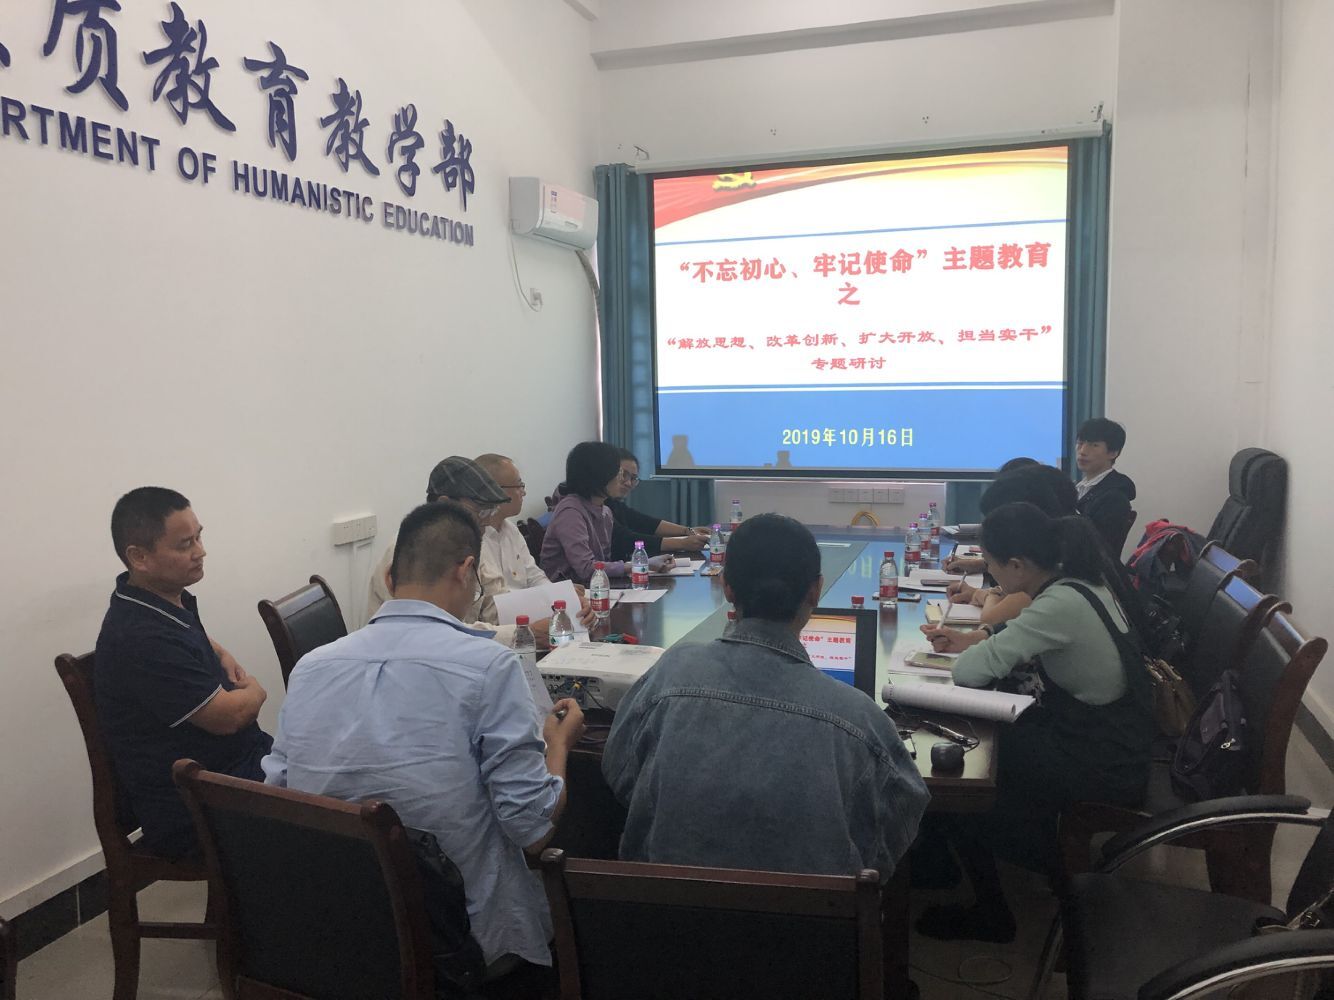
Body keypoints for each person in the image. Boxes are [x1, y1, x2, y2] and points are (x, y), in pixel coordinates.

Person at [265, 501, 586, 972]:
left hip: (332, 923)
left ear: (390, 577)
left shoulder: (311, 667)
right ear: (466, 570)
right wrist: (558, 745)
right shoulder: (489, 667)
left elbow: (278, 793)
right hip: (454, 935)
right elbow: (531, 831)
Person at [602, 514, 929, 878]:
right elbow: (898, 823)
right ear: (815, 590)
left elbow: (620, 772)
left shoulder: (669, 674)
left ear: (727, 587)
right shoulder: (858, 717)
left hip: (664, 908)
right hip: (814, 913)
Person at [916, 502, 1153, 942]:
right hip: (1117, 740)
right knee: (985, 747)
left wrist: (974, 648)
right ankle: (946, 857)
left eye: (991, 564)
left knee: (966, 773)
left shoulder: (1058, 603)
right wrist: (979, 638)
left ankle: (993, 907)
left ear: (1018, 565)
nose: (991, 575)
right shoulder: (1079, 583)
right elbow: (1018, 633)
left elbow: (969, 672)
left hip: (1102, 761)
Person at [94, 487, 272, 859]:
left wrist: (219, 651)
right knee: (344, 819)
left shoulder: (154, 600)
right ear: (139, 557)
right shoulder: (141, 637)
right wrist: (256, 691)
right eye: (185, 544)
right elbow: (227, 717)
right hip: (193, 808)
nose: (200, 551)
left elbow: (188, 637)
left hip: (231, 772)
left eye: (199, 537)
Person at [368, 456, 593, 644]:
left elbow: (495, 608)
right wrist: (526, 633)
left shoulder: (468, 543)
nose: (485, 523)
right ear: (445, 503)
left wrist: (565, 607)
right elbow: (438, 631)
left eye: (490, 511)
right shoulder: (412, 548)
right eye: (480, 511)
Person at [540, 441, 674, 586]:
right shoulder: (570, 512)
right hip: (568, 592)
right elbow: (586, 568)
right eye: (619, 473)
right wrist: (641, 565)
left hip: (595, 587)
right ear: (599, 475)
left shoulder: (605, 511)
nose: (623, 480)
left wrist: (641, 564)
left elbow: (603, 561)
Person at [605, 449, 708, 559]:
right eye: (623, 475)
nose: (628, 483)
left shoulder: (614, 504)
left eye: (633, 478)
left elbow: (645, 522)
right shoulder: (599, 505)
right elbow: (624, 539)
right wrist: (682, 543)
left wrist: (687, 530)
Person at [1074, 417, 1137, 553]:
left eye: (1094, 445)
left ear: (1113, 453)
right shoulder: (1076, 489)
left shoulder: (1115, 498)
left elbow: (1098, 548)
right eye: (1080, 443)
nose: (1082, 451)